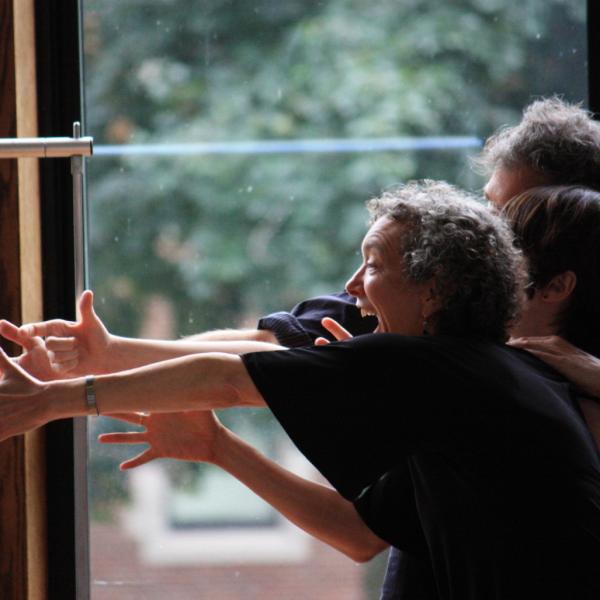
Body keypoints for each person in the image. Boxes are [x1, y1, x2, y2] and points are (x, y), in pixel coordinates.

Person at [1, 181, 600, 599]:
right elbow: (359, 533)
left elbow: (228, 379)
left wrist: (55, 399)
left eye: (372, 265)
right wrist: (217, 448)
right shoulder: (472, 378)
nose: (352, 286)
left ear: (435, 289)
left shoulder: (435, 367)